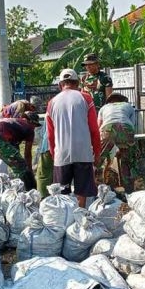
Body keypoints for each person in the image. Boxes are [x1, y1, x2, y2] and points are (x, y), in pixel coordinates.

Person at [46, 69, 101, 208]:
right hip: (83, 153)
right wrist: (97, 152)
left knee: (61, 194)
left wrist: (53, 154)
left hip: (61, 154)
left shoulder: (52, 103)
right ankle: (80, 215)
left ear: (60, 85)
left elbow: (50, 135)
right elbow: (94, 129)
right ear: (77, 83)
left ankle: (65, 219)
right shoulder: (86, 98)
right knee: (82, 192)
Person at [0, 111, 41, 191]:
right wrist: (29, 170)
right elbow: (27, 154)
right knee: (21, 167)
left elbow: (13, 146)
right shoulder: (29, 127)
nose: (34, 128)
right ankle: (32, 193)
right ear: (32, 122)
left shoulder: (14, 122)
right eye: (35, 125)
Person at [96, 92, 137, 192]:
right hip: (126, 129)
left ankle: (95, 187)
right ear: (122, 100)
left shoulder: (104, 107)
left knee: (98, 160)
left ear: (110, 101)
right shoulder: (128, 106)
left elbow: (98, 126)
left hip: (108, 129)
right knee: (126, 161)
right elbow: (132, 125)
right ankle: (129, 192)